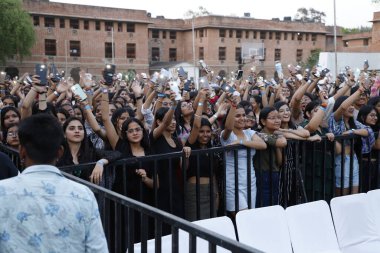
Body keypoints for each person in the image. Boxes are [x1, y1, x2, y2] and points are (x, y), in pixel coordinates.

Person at [0, 114, 108, 252]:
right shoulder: (83, 194)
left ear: (22, 151)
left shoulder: (2, 192)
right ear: (60, 152)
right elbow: (97, 249)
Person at [220, 94, 267, 214]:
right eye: (237, 116)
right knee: (241, 218)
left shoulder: (249, 133)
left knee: (249, 217)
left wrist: (241, 142)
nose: (242, 118)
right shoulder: (227, 135)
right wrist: (233, 106)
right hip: (233, 183)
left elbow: (263, 145)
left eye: (243, 115)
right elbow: (228, 127)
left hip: (250, 182)